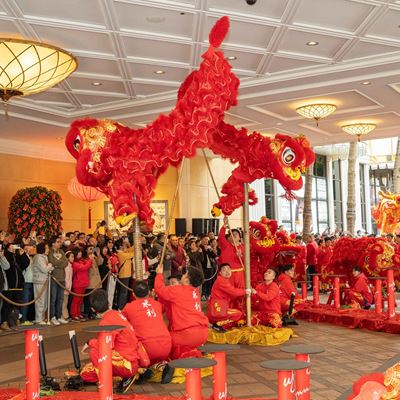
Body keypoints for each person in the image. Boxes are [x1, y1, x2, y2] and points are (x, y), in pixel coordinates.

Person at [80, 289, 149, 393]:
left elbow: (105, 347)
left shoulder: (106, 322)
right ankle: (128, 375)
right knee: (85, 373)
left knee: (94, 352)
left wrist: (90, 342)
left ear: (93, 309)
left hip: (128, 364)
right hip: (134, 358)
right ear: (108, 303)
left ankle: (106, 385)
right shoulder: (117, 314)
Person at [154, 263, 208, 360]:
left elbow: (159, 289)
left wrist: (159, 274)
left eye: (184, 274)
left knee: (160, 342)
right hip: (202, 335)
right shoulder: (195, 291)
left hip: (186, 336)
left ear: (187, 279)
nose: (182, 276)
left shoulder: (178, 290)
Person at [122, 281, 172, 365]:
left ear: (133, 294)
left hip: (146, 351)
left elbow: (120, 321)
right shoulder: (157, 304)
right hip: (167, 348)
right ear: (149, 292)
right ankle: (160, 365)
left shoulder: (128, 307)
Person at [207, 263, 248, 331]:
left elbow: (232, 293)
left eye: (229, 269)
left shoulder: (224, 280)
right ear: (220, 273)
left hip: (217, 307)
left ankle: (216, 323)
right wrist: (245, 291)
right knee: (238, 314)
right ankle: (217, 325)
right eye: (224, 270)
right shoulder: (221, 281)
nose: (227, 271)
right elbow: (233, 292)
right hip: (218, 309)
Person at [218, 217, 245, 292]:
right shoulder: (225, 245)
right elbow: (221, 237)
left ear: (240, 237)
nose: (234, 235)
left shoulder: (243, 248)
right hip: (228, 273)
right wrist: (224, 226)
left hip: (240, 273)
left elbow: (247, 262)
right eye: (231, 234)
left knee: (240, 291)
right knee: (228, 291)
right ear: (229, 238)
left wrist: (241, 256)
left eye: (236, 234)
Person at [48, 236, 69, 325]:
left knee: (60, 298)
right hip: (54, 278)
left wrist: (57, 264)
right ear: (53, 243)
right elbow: (52, 262)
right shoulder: (49, 251)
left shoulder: (61, 251)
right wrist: (59, 263)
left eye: (60, 241)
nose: (60, 243)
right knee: (53, 298)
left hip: (62, 278)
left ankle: (59, 316)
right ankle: (52, 316)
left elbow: (66, 262)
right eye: (58, 242)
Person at [32, 243, 54, 325]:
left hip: (45, 281)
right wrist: (50, 265)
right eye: (47, 248)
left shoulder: (44, 257)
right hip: (39, 281)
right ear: (42, 248)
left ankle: (42, 318)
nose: (48, 250)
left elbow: (49, 269)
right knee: (40, 301)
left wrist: (49, 266)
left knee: (45, 301)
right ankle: (38, 319)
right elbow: (45, 269)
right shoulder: (38, 257)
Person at [70, 247, 92, 321]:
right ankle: (74, 314)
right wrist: (90, 260)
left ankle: (78, 313)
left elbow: (87, 265)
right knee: (76, 300)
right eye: (79, 252)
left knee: (80, 300)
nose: (80, 253)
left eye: (80, 252)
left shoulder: (82, 261)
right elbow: (85, 268)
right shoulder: (74, 263)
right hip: (78, 283)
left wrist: (89, 259)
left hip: (83, 283)